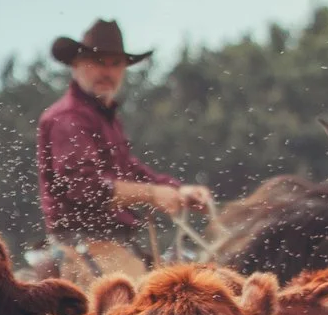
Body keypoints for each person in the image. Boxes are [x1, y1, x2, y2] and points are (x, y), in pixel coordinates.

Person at [35, 18, 211, 276]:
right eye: (98, 62)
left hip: (116, 244)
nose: (107, 71)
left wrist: (176, 190)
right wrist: (152, 195)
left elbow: (128, 170)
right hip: (83, 246)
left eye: (115, 63)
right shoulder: (68, 118)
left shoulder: (104, 117)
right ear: (76, 64)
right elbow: (86, 188)